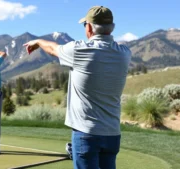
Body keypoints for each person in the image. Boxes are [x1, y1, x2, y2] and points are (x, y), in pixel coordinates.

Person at [23, 6, 131, 169]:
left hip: (86, 134)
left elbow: (52, 48)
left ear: (89, 27)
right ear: (111, 27)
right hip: (112, 134)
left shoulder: (79, 50)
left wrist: (37, 41)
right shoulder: (124, 53)